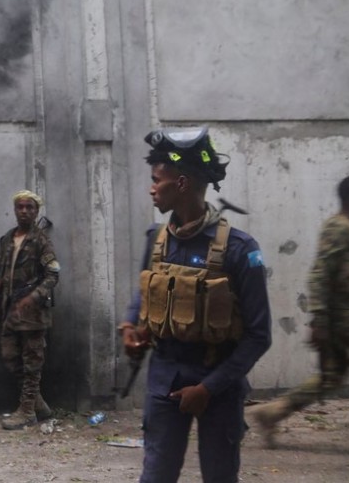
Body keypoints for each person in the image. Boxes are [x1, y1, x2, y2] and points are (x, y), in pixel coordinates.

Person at [119, 127, 271, 483]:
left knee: (219, 475)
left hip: (218, 382)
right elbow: (144, 291)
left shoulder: (240, 249)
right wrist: (131, 327)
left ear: (182, 183)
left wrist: (208, 388)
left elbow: (259, 335)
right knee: (156, 474)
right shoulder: (156, 239)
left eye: (158, 180)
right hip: (164, 377)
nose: (151, 187)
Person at [250, 175, 349, 447]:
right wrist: (320, 319)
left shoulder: (346, 229)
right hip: (344, 318)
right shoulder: (340, 228)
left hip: (341, 316)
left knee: (329, 378)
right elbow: (320, 273)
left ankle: (270, 413)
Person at [0, 190, 60, 430]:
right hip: (9, 309)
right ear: (15, 210)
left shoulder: (41, 241)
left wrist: (34, 297)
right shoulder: (7, 239)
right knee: (10, 357)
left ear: (36, 212)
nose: (24, 211)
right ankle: (38, 404)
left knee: (32, 360)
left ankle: (26, 411)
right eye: (20, 207)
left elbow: (53, 274)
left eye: (29, 207)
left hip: (33, 314)